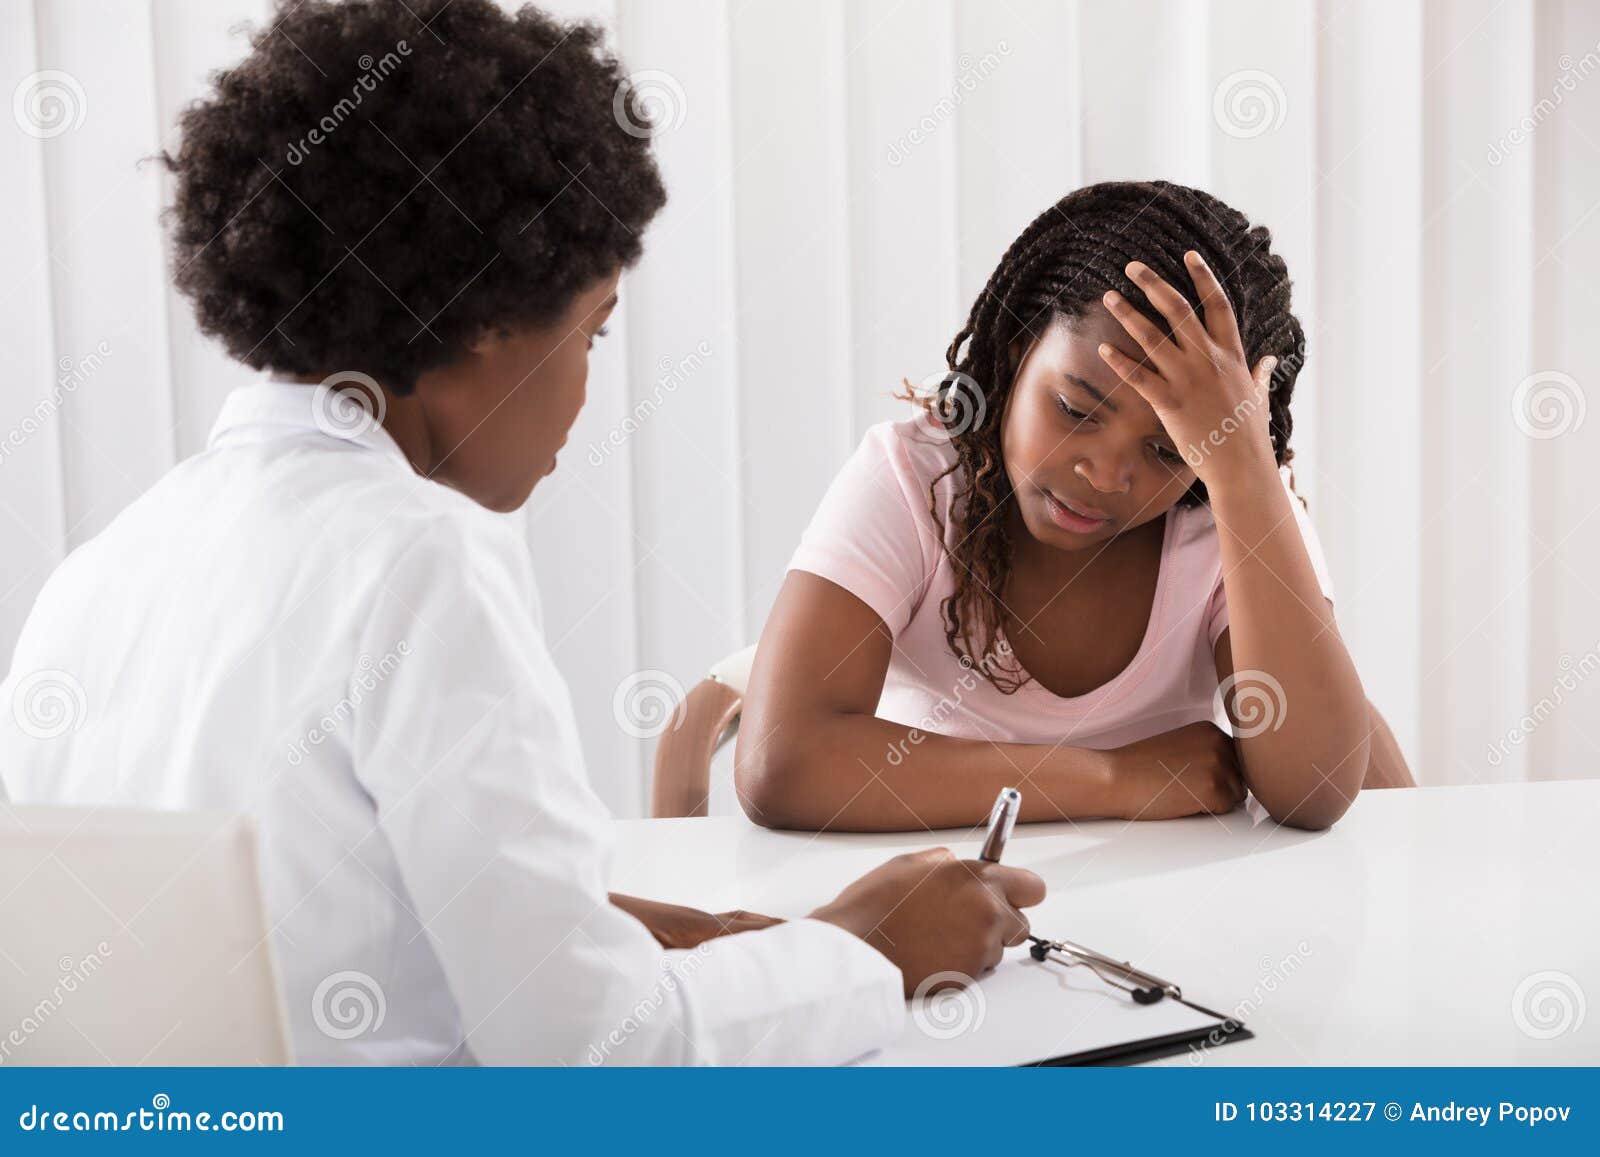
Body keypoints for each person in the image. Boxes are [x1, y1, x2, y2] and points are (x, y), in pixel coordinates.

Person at [0, 0, 1044, 1065]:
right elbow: (597, 1053)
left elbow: (306, 931)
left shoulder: (103, 570)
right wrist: (867, 949)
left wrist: (620, 927)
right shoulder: (418, 558)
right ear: (489, 326)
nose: (587, 390)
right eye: (590, 332)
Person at [736, 181, 1415, 836]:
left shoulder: (1231, 509)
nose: (1106, 473)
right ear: (1015, 347)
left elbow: (1316, 790)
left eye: (1167, 449)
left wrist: (1241, 472)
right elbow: (783, 759)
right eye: (1075, 408)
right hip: (940, 901)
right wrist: (1111, 780)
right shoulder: (915, 480)